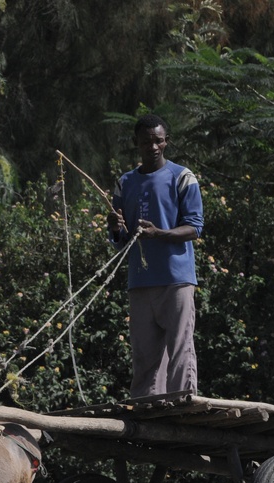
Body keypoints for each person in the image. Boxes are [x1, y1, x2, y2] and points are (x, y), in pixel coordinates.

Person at [107, 114, 204, 398]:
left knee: (180, 349)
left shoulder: (183, 177)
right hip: (140, 281)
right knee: (144, 354)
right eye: (146, 141)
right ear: (136, 143)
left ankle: (183, 406)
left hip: (176, 278)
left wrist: (159, 233)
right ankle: (145, 410)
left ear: (166, 142)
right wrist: (115, 228)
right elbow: (121, 240)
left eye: (158, 141)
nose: (153, 147)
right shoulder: (124, 183)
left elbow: (194, 228)